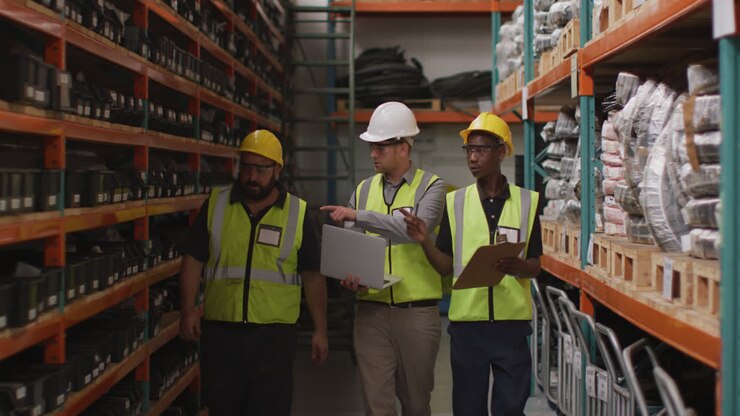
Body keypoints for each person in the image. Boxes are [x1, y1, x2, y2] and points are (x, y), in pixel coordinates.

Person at [178, 130, 328, 416]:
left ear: (277, 169)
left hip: (274, 336)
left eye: (260, 169)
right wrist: (187, 311)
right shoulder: (217, 204)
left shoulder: (297, 212)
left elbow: (312, 275)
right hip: (222, 333)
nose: (251, 177)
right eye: (246, 167)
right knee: (221, 408)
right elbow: (193, 259)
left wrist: (320, 331)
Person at [403, 112, 542, 416]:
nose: (473, 158)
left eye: (480, 150)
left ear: (501, 152)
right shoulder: (456, 203)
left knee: (510, 409)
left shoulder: (528, 202)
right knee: (468, 409)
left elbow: (535, 264)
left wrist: (518, 267)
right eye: (469, 151)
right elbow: (444, 267)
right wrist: (424, 239)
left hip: (511, 327)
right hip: (468, 328)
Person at [321, 101, 447, 416]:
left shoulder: (431, 187)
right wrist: (349, 280)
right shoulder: (363, 190)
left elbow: (410, 230)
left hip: (416, 315)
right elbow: (351, 245)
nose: (372, 154)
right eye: (371, 147)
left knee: (417, 405)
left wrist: (358, 215)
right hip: (371, 314)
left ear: (403, 147)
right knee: (376, 406)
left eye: (379, 147)